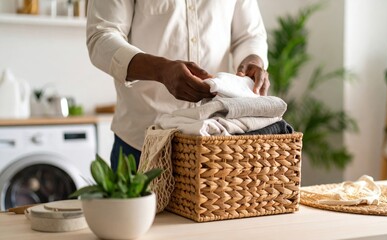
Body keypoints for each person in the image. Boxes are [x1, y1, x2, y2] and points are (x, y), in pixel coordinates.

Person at [86, 0, 270, 170]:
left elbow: (249, 36)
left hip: (215, 145)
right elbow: (102, 36)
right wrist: (161, 70)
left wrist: (253, 60)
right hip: (140, 145)